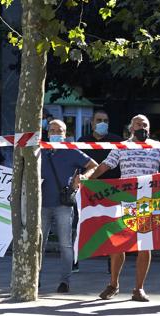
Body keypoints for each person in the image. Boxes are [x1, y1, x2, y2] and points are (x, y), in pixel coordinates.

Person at [90, 114, 160, 302]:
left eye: (144, 124)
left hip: (148, 201)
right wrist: (89, 180)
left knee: (145, 245)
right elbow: (105, 165)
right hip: (125, 199)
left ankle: (139, 289)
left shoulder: (157, 146)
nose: (141, 127)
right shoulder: (121, 146)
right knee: (117, 243)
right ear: (131, 128)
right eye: (137, 124)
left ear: (149, 128)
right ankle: (113, 284)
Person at [42, 119, 97, 293]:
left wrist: (83, 178)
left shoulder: (71, 151)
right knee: (38, 244)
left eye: (59, 131)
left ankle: (65, 281)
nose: (55, 133)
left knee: (65, 244)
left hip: (63, 204)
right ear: (47, 132)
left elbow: (93, 166)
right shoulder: (40, 149)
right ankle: (35, 279)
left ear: (65, 134)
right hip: (40, 204)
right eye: (52, 130)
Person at [77, 110, 123, 272]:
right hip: (89, 189)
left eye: (105, 120)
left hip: (112, 189)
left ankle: (112, 263)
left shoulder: (117, 141)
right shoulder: (83, 141)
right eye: (99, 120)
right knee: (82, 224)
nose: (102, 123)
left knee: (112, 227)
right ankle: (75, 260)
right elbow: (77, 164)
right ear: (92, 123)